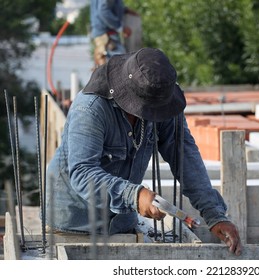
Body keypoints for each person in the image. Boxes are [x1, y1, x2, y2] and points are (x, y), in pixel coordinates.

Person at [46, 47, 242, 256]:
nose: (155, 116)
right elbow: (83, 173)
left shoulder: (163, 99)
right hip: (76, 223)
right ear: (129, 95)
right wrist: (135, 195)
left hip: (121, 223)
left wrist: (214, 214)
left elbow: (183, 155)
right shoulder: (91, 109)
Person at [90, 0, 139, 66]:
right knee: (118, 65)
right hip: (106, 35)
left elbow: (106, 7)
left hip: (103, 34)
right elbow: (103, 11)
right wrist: (121, 27)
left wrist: (124, 9)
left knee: (109, 66)